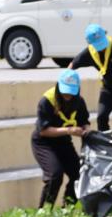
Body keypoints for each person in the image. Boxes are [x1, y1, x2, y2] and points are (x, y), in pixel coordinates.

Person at [31, 69, 89, 208]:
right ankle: (44, 211)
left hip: (63, 141)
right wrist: (69, 130)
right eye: (65, 91)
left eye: (71, 91)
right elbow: (43, 130)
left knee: (78, 174)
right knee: (55, 175)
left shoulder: (79, 101)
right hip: (43, 142)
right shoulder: (47, 101)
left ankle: (67, 208)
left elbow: (84, 121)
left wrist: (86, 130)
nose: (68, 95)